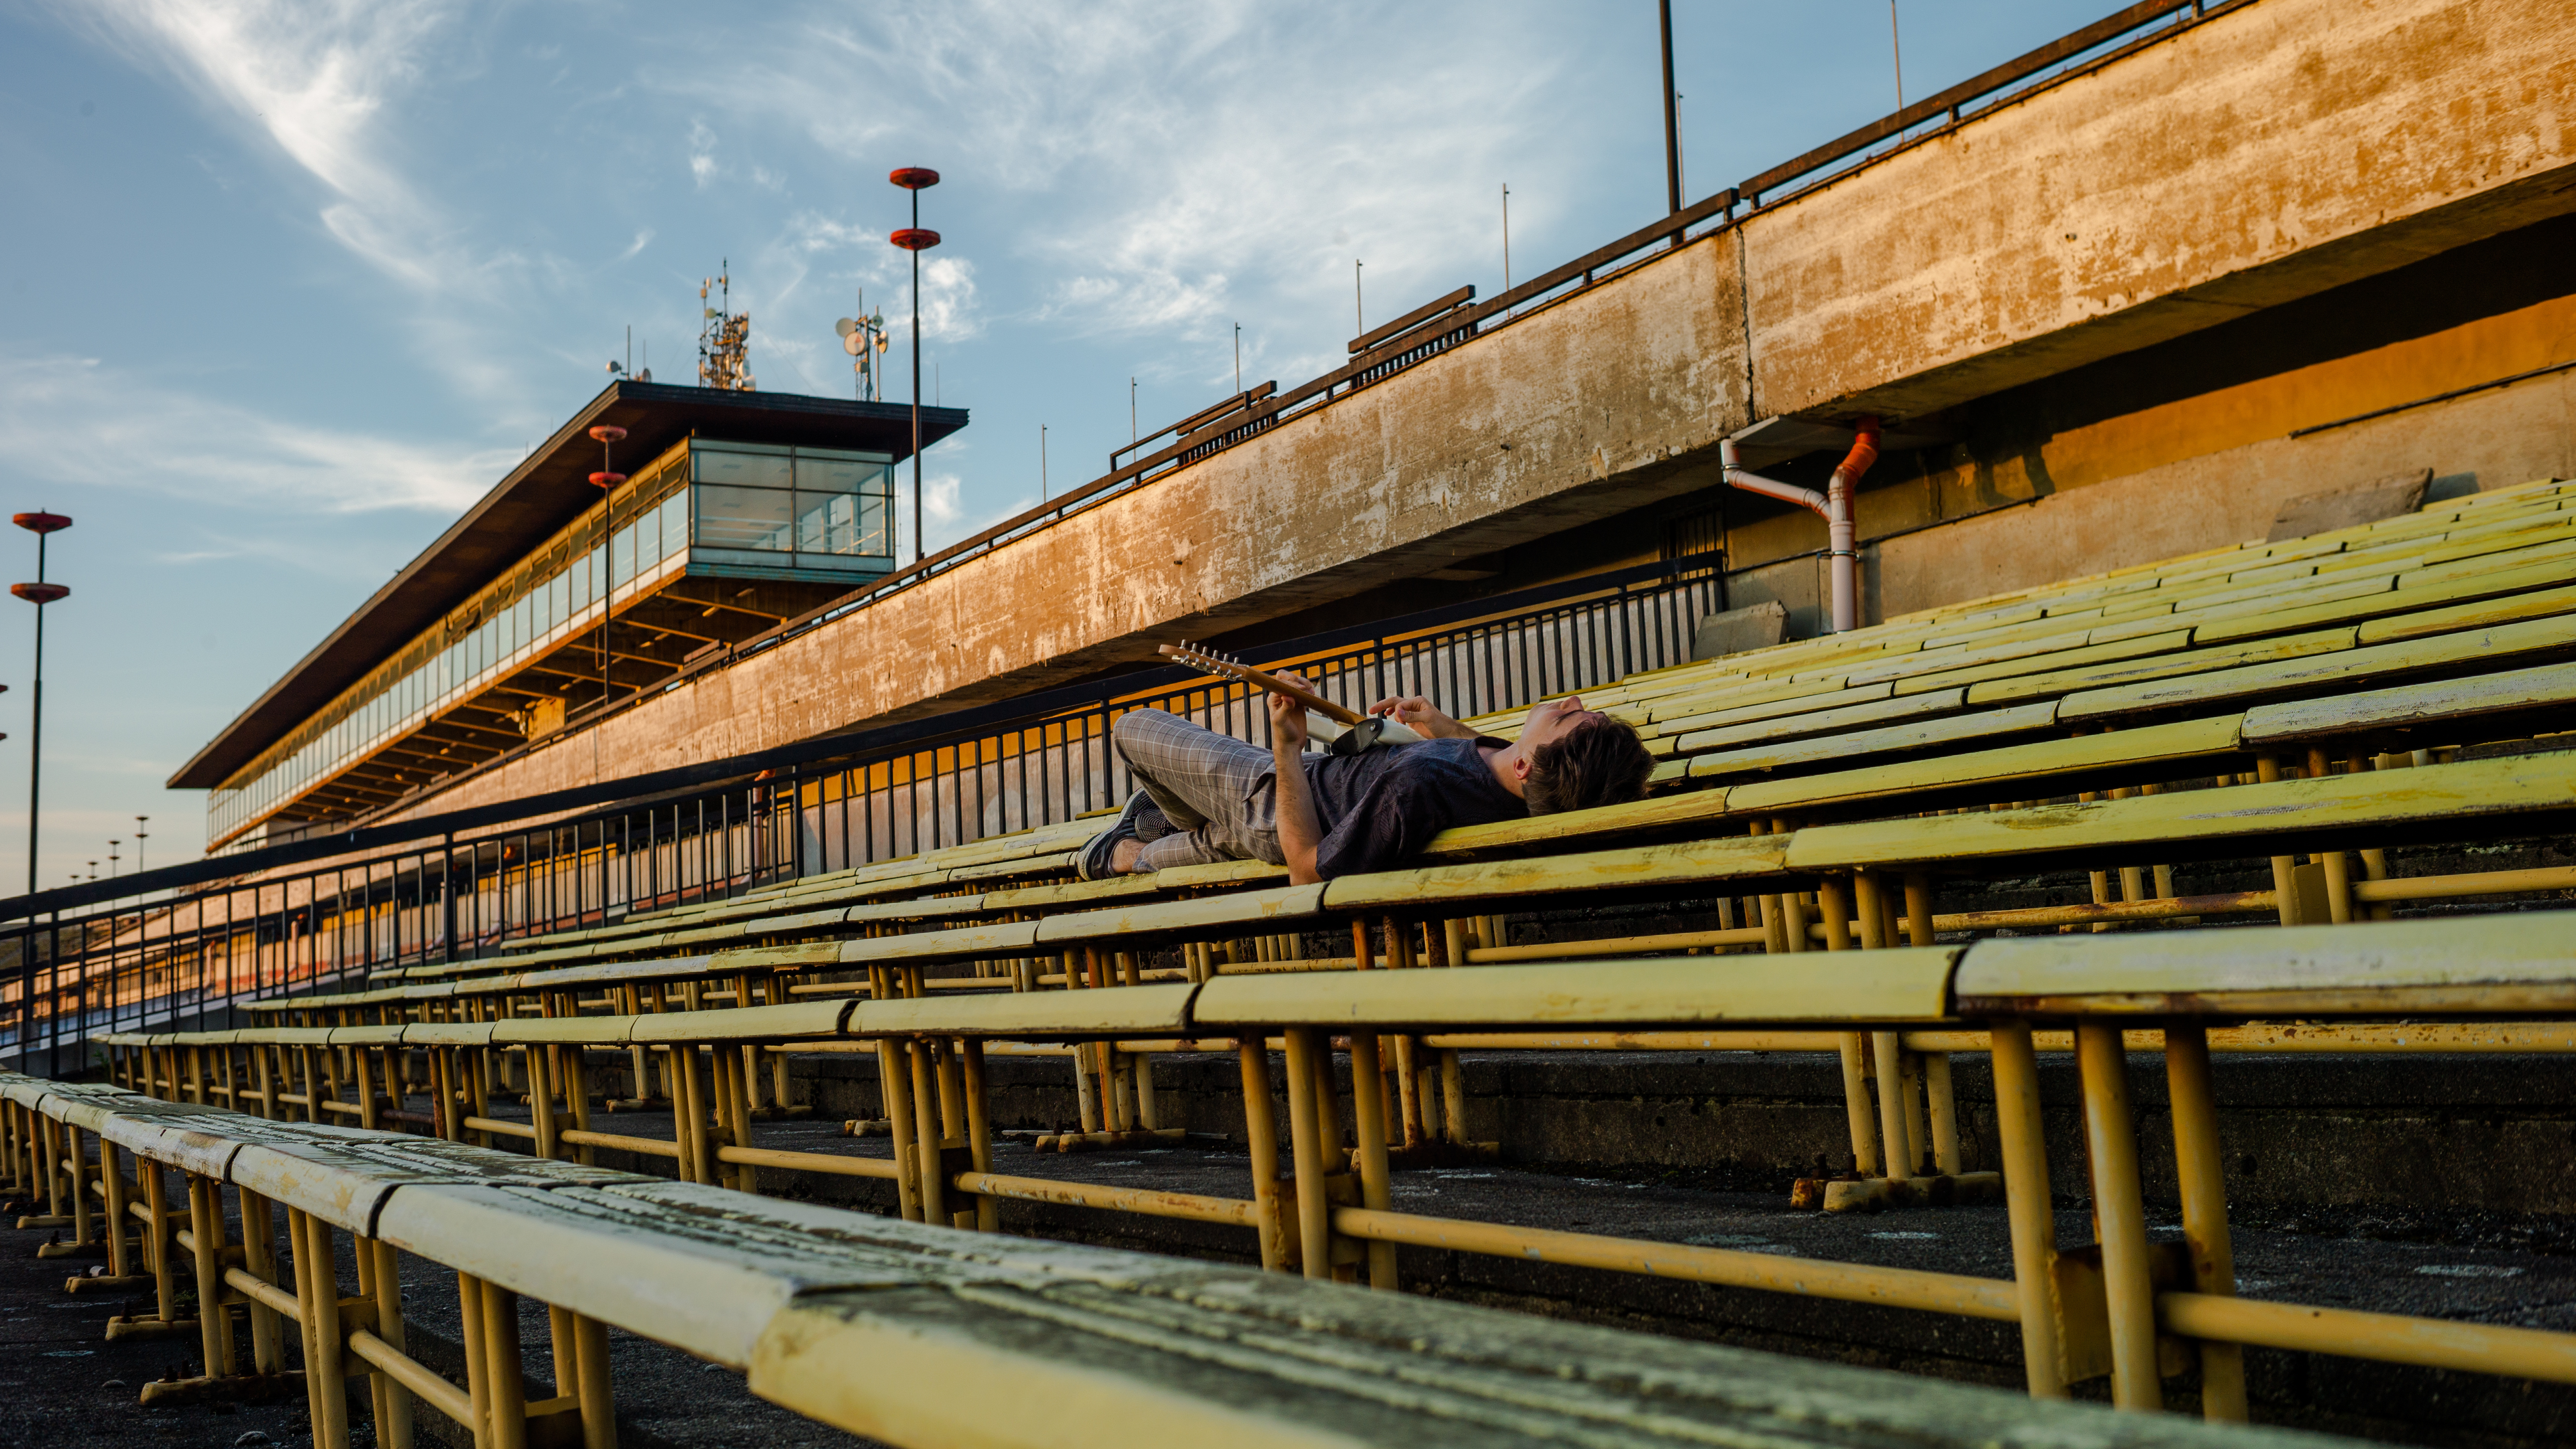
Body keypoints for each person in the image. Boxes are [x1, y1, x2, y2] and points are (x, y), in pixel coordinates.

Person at [1077, 673, 1656, 885]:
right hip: (1292, 799)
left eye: (1569, 715)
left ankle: (1164, 817)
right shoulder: (1527, 786)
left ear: (1529, 763)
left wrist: (1285, 746)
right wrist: (1438, 724)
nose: (1573, 700)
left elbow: (1306, 869)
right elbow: (1493, 762)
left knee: (1132, 728)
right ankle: (1129, 853)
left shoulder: (1419, 786)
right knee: (1194, 837)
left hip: (1277, 800)